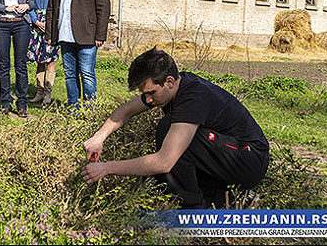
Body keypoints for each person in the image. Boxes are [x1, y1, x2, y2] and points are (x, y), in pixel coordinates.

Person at [81, 47, 270, 209]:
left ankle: (194, 210)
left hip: (249, 158)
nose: (147, 100)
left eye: (151, 93)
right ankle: (222, 199)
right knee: (173, 143)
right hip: (226, 154)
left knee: (169, 132)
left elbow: (164, 162)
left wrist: (106, 168)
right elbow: (127, 110)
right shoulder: (170, 89)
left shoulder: (193, 98)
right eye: (144, 94)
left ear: (169, 81)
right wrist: (99, 137)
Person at [45, 0, 111, 110]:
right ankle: (74, 108)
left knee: (87, 74)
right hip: (65, 36)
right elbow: (51, 9)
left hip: (87, 36)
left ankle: (91, 110)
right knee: (70, 75)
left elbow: (103, 8)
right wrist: (50, 34)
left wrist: (100, 34)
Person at [27, 0, 60, 104]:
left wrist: (48, 22)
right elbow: (28, 4)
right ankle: (39, 92)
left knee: (50, 60)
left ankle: (48, 93)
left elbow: (57, 5)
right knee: (39, 60)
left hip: (50, 24)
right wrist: (35, 21)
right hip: (35, 24)